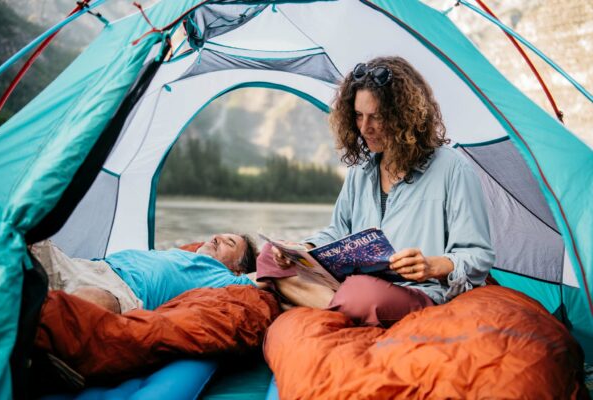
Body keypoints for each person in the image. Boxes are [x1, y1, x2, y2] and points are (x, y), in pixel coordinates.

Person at [259, 56, 495, 327]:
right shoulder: (361, 172)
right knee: (269, 255)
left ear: (404, 117)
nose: (364, 128)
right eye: (358, 115)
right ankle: (339, 307)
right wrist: (303, 247)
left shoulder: (453, 168)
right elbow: (338, 231)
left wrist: (432, 266)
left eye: (377, 117)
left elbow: (478, 256)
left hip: (416, 293)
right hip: (354, 286)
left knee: (362, 292)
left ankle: (317, 303)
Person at [31, 233, 261, 314]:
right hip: (90, 267)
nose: (216, 238)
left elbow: (267, 275)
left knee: (89, 301)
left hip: (122, 290)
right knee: (27, 237)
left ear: (237, 268)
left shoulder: (226, 278)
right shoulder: (180, 253)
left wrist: (283, 252)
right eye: (217, 235)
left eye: (228, 242)